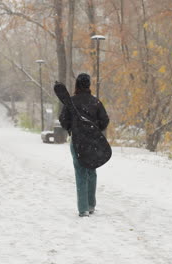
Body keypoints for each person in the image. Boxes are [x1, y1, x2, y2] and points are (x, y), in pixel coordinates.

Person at [59, 73, 109, 217]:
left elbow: (63, 119)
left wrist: (71, 128)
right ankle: (91, 204)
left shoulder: (71, 102)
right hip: (92, 141)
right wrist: (95, 129)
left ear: (77, 85)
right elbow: (105, 120)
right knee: (91, 171)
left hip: (77, 141)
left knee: (80, 172)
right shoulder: (96, 103)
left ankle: (83, 209)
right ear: (89, 85)